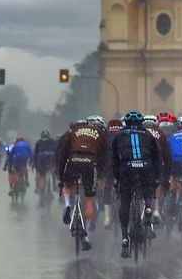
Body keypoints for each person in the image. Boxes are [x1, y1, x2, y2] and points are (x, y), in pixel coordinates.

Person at [109, 111, 162, 258]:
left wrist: (116, 179)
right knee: (148, 188)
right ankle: (148, 207)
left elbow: (114, 161)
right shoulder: (148, 134)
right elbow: (156, 158)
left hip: (127, 168)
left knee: (125, 202)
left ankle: (125, 236)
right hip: (146, 167)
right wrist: (157, 178)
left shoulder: (119, 135)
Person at [55, 118, 108, 251]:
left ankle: (67, 205)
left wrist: (62, 176)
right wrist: (100, 174)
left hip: (74, 160)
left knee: (68, 185)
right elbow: (103, 156)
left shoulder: (73, 132)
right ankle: (87, 236)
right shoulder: (99, 132)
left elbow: (63, 154)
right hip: (90, 162)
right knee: (89, 199)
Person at [33, 130, 57, 195]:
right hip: (51, 160)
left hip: (41, 160)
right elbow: (57, 151)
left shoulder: (39, 142)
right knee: (53, 170)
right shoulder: (53, 141)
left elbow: (35, 153)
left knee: (41, 175)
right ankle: (54, 183)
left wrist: (34, 164)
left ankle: (39, 187)